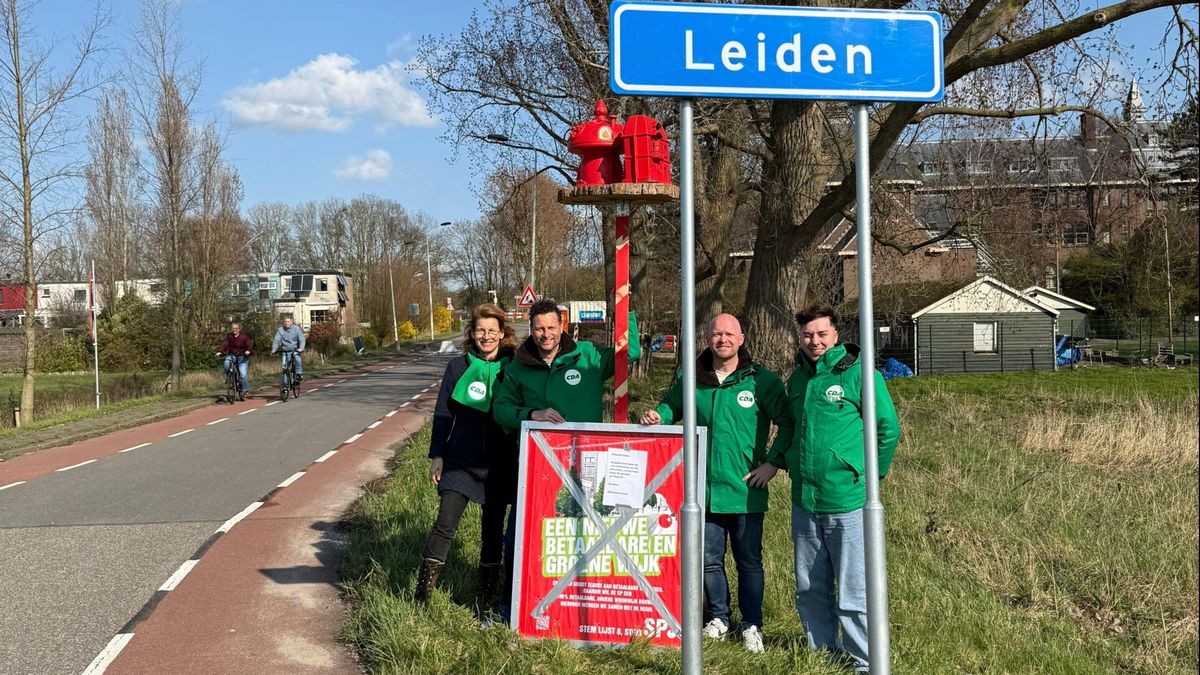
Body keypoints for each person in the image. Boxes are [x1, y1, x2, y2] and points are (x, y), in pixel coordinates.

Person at [746, 304, 900, 672]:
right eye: (807, 335)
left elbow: (887, 429)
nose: (814, 342)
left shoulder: (858, 373)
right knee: (810, 588)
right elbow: (793, 430)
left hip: (846, 501)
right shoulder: (798, 379)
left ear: (835, 336)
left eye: (821, 335)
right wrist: (776, 460)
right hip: (805, 500)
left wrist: (866, 477)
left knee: (853, 592)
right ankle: (824, 657)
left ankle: (865, 662)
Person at [640, 313, 792, 653]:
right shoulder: (691, 377)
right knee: (709, 561)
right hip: (701, 490)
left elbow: (788, 424)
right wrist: (658, 416)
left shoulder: (761, 381)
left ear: (741, 338)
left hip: (746, 490)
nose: (721, 339)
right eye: (715, 334)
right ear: (707, 338)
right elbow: (671, 407)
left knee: (749, 561)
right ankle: (719, 618)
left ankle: (752, 624)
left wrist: (773, 462)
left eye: (729, 334)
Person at [417, 303, 519, 615]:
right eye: (480, 330)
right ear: (471, 333)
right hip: (460, 460)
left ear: (502, 333)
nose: (485, 336)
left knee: (492, 530)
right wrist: (438, 454)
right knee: (445, 523)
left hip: (500, 463)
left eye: (492, 330)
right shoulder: (457, 368)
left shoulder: (514, 366)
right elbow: (443, 414)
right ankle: (422, 596)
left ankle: (484, 598)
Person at [492, 299, 639, 429]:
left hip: (585, 450)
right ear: (531, 329)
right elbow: (501, 411)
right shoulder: (518, 367)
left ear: (561, 326)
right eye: (539, 329)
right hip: (540, 454)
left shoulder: (587, 356)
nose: (546, 335)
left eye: (551, 328)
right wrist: (532, 414)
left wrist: (624, 308)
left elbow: (630, 353)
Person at [216, 322, 253, 400]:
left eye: (236, 328)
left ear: (239, 329)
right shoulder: (229, 336)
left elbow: (249, 344)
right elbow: (225, 343)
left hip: (242, 356)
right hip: (232, 355)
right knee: (226, 363)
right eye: (233, 328)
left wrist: (248, 351)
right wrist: (220, 351)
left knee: (243, 374)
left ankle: (245, 390)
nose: (234, 330)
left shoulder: (244, 336)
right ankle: (228, 378)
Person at [270, 315, 306, 385]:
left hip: (295, 349)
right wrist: (274, 349)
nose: (287, 323)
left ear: (291, 322)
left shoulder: (296, 329)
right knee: (285, 368)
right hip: (285, 350)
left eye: (288, 321)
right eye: (285, 322)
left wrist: (301, 348)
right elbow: (276, 340)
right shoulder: (280, 330)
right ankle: (285, 386)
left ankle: (299, 374)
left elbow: (301, 339)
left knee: (296, 356)